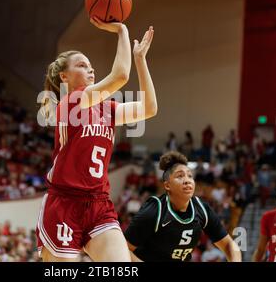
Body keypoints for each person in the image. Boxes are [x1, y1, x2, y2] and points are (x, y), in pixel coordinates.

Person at [36, 17, 157, 262]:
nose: (90, 69)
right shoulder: (69, 103)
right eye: (81, 65)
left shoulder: (106, 108)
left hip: (99, 204)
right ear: (64, 77)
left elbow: (149, 108)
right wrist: (122, 30)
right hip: (64, 204)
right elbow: (120, 76)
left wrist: (140, 60)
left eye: (90, 65)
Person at [124, 151, 241, 262]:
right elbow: (123, 249)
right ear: (167, 185)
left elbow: (228, 244)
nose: (187, 180)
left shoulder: (202, 209)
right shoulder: (155, 210)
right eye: (180, 176)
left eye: (190, 176)